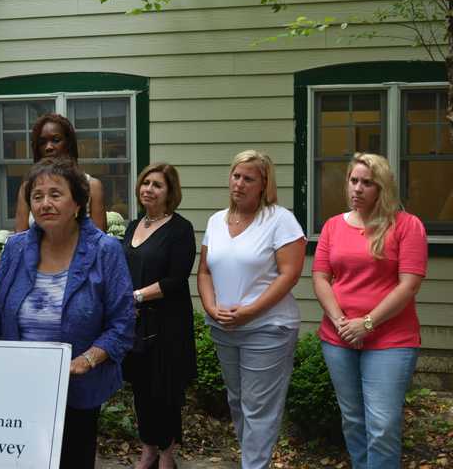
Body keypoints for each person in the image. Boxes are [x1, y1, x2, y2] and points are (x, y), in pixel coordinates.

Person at [0, 157, 134, 469]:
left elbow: (122, 324)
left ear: (77, 203)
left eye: (55, 194)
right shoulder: (16, 248)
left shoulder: (104, 250)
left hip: (77, 389)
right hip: (18, 385)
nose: (45, 203)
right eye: (37, 196)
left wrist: (86, 360)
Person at [313, 153, 427, 469]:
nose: (358, 189)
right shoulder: (334, 226)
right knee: (352, 420)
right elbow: (321, 277)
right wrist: (340, 322)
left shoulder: (407, 225)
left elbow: (409, 285)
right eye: (354, 181)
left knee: (383, 426)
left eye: (367, 183)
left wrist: (366, 323)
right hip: (338, 339)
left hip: (391, 341)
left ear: (382, 187)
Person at [196, 150, 306, 469]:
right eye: (236, 176)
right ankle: (254, 462)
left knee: (259, 407)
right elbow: (204, 270)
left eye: (249, 178)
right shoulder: (216, 221)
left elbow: (290, 274)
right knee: (238, 403)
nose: (240, 183)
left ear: (264, 184)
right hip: (224, 328)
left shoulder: (280, 220)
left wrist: (250, 311)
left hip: (268, 328)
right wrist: (211, 306)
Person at [122, 162, 196, 469]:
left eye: (157, 185)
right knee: (141, 389)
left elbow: (175, 280)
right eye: (146, 183)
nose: (148, 189)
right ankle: (148, 449)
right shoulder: (132, 225)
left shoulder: (180, 229)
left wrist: (136, 296)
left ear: (169, 193)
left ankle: (167, 455)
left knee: (165, 391)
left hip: (167, 324)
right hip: (136, 324)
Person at [14, 113, 106, 232]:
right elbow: (20, 240)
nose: (49, 147)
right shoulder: (27, 187)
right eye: (42, 142)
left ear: (68, 144)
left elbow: (100, 242)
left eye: (56, 140)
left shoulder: (92, 186)